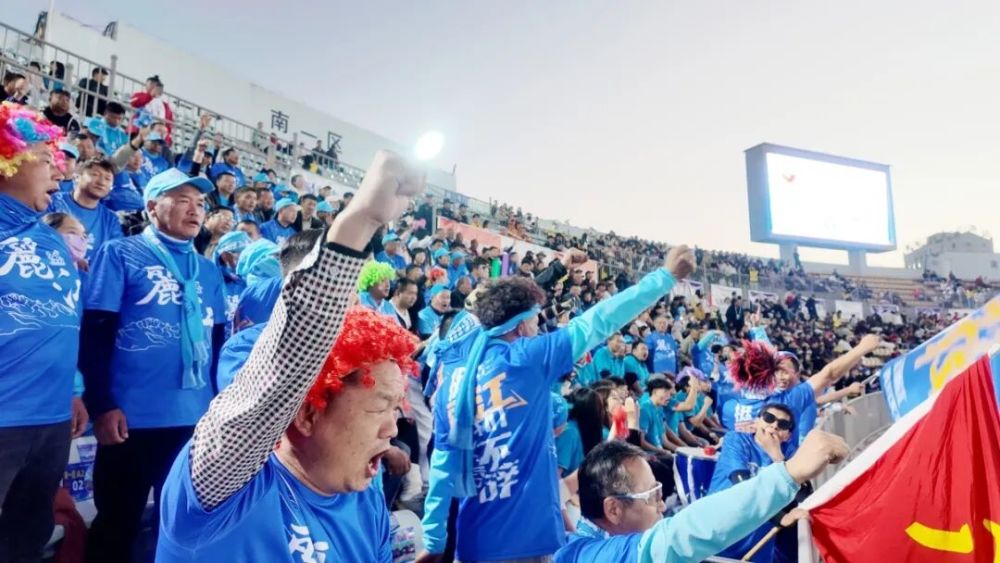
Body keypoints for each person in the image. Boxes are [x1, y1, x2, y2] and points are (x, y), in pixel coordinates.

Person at [156, 149, 424, 561]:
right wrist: (358, 224)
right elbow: (271, 387)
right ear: (307, 412)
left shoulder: (363, 496)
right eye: (379, 407)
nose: (392, 429)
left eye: (394, 408)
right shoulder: (221, 491)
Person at [417, 244, 696, 562]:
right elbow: (599, 320)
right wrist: (665, 277)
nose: (540, 328)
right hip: (524, 546)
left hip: (471, 546)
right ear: (521, 326)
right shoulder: (526, 359)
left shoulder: (452, 384)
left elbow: (442, 469)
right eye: (536, 321)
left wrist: (434, 541)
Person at [80, 168, 227, 562]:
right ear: (151, 206)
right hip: (130, 418)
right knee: (117, 523)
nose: (194, 210)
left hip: (193, 419)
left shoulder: (208, 270)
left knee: (178, 524)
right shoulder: (120, 253)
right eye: (182, 200)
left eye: (200, 204)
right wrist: (101, 404)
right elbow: (95, 331)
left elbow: (217, 342)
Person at [0, 102, 87, 563]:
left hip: (51, 421)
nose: (61, 173)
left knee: (28, 538)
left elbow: (66, 317)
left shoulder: (52, 237)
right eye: (46, 160)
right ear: (8, 158)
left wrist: (73, 389)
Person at [553, 430, 847, 563]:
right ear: (614, 509)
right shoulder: (587, 557)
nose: (662, 505)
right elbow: (680, 535)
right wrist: (789, 473)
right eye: (653, 495)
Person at [708, 404, 799, 562]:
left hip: (758, 540)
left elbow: (800, 495)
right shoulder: (735, 439)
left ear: (788, 436)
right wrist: (779, 518)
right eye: (769, 418)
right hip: (721, 528)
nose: (774, 425)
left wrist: (777, 456)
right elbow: (741, 485)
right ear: (756, 422)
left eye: (783, 424)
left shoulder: (789, 453)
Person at [47, 157, 122, 266]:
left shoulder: (110, 219)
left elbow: (114, 254)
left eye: (108, 179)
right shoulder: (54, 202)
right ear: (77, 177)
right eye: (95, 175)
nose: (101, 182)